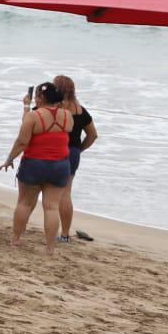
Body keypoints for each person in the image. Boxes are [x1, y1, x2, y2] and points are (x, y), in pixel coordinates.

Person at [3, 81, 73, 254]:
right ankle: (50, 248)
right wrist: (29, 108)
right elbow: (66, 131)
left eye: (36, 97)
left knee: (25, 203)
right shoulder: (67, 115)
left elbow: (22, 140)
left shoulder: (34, 116)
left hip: (34, 163)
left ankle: (16, 239)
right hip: (60, 165)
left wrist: (10, 159)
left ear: (41, 97)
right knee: (51, 207)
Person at [46, 74, 97, 243]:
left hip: (53, 150)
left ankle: (27, 227)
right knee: (65, 193)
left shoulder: (53, 108)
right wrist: (79, 149)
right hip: (72, 152)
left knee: (41, 189)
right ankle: (65, 234)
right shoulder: (80, 110)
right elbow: (92, 135)